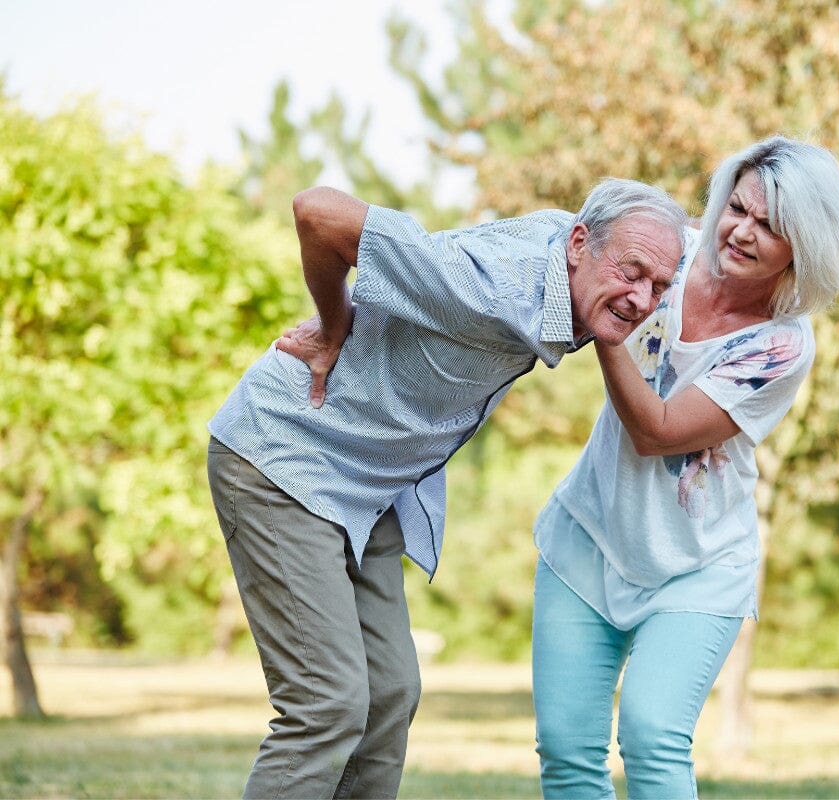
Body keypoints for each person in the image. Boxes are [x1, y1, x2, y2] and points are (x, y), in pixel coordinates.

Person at [206, 178, 686, 799]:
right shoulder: (483, 283)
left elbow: (691, 246)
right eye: (632, 273)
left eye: (660, 285)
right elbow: (318, 212)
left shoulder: (604, 249)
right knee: (326, 704)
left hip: (368, 487)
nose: (642, 298)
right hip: (285, 457)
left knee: (390, 694)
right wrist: (334, 324)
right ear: (577, 244)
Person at [531, 136, 839, 799]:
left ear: (805, 245)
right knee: (567, 752)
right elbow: (556, 245)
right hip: (586, 538)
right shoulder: (668, 254)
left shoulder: (782, 344)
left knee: (652, 736)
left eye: (771, 226)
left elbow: (659, 432)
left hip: (697, 565)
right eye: (738, 207)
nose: (741, 231)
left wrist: (608, 326)